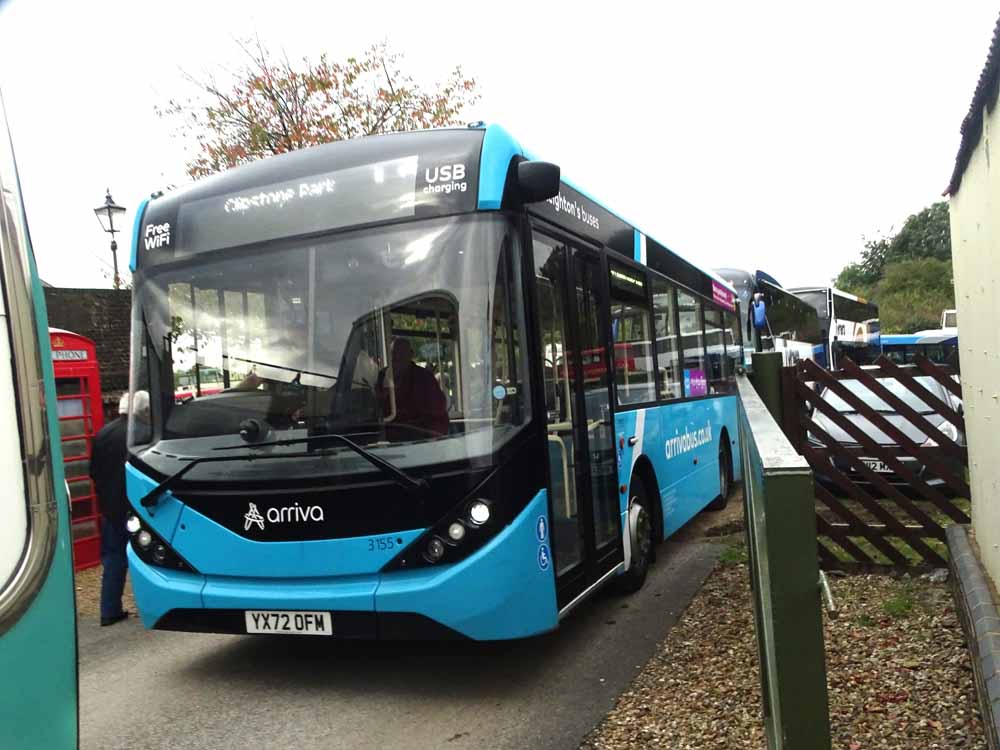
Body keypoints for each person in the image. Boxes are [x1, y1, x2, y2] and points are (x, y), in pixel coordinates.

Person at [89, 390, 149, 626]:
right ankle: (150, 605)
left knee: (113, 559)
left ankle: (109, 610)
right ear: (142, 410)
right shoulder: (143, 433)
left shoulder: (102, 433)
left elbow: (93, 472)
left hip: (110, 510)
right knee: (148, 559)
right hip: (140, 510)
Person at [378, 338, 449, 439]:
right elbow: (376, 407)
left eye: (401, 353)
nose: (397, 357)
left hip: (418, 436)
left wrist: (433, 438)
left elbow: (438, 411)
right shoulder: (382, 376)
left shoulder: (424, 377)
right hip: (388, 436)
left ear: (411, 354)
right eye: (393, 353)